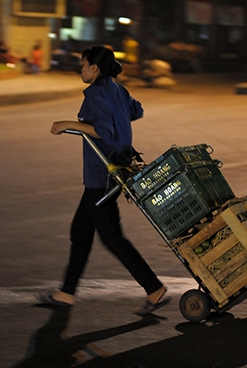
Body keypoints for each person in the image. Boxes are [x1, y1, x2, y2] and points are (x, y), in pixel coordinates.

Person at [39, 45, 169, 315]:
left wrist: (67, 124)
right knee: (81, 232)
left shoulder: (96, 94)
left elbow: (103, 132)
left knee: (111, 237)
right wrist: (119, 116)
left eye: (84, 64)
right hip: (116, 168)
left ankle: (153, 287)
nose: (81, 69)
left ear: (95, 68)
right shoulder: (117, 90)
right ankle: (66, 292)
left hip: (102, 172)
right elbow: (137, 110)